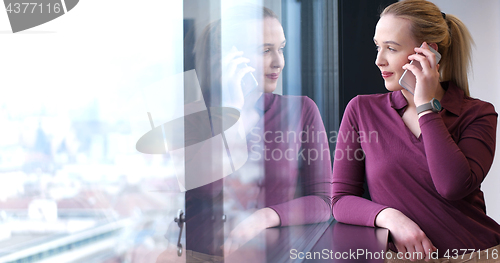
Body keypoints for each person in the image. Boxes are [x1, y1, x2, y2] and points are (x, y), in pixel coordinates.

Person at [157, 5, 332, 262]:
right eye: (265, 51)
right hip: (200, 256)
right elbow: (207, 190)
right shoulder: (190, 115)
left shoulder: (301, 110)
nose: (279, 62)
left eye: (280, 48)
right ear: (229, 57)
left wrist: (263, 218)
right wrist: (232, 114)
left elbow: (324, 203)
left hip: (273, 256)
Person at [332, 0, 500, 262]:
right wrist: (390, 218)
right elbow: (341, 200)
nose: (379, 60)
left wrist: (426, 108)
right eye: (378, 46)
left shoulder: (478, 113)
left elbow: (452, 186)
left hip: (479, 255)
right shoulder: (361, 110)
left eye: (391, 48)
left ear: (427, 52)